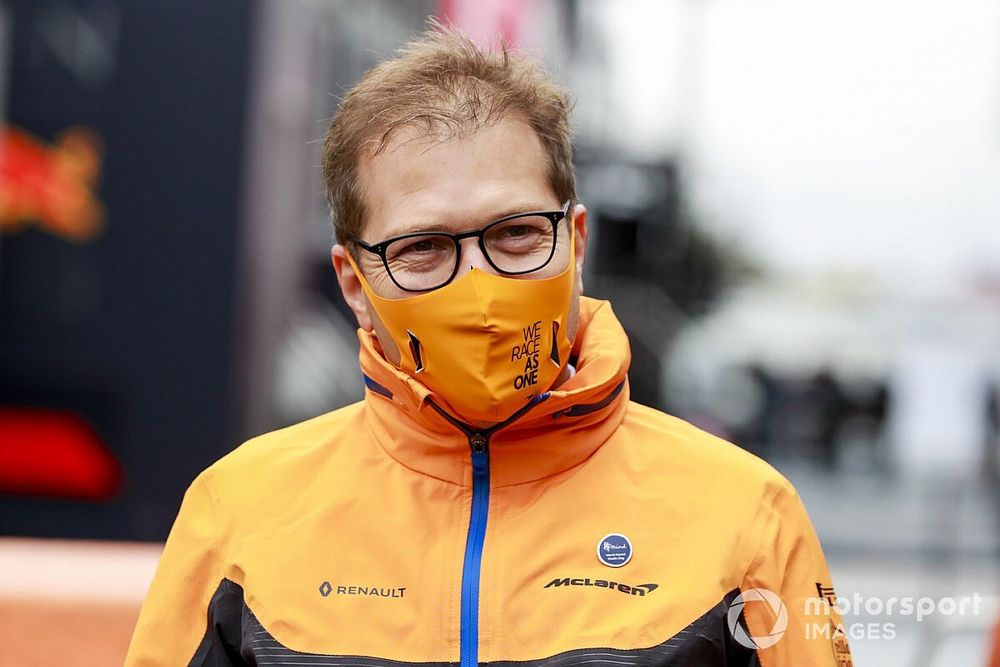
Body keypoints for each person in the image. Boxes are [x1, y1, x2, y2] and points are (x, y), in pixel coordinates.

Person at [125, 24, 853, 667]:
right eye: (423, 246)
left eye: (514, 233)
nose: (479, 284)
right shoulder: (238, 512)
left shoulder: (747, 515)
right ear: (353, 280)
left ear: (576, 240)